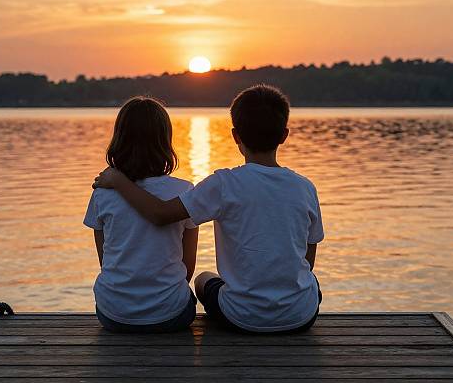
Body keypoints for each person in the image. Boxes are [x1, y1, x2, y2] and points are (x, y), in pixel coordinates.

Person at [94, 85, 324, 333]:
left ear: (235, 136)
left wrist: (118, 181)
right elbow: (307, 259)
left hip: (239, 317)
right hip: (300, 316)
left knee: (203, 280)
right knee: (308, 281)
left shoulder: (223, 184)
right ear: (284, 135)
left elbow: (157, 216)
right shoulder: (305, 187)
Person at [84, 97, 199, 333]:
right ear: (165, 142)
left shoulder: (102, 194)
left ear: (119, 139)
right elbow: (188, 267)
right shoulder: (184, 191)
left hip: (113, 314)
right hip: (171, 315)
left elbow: (105, 261)